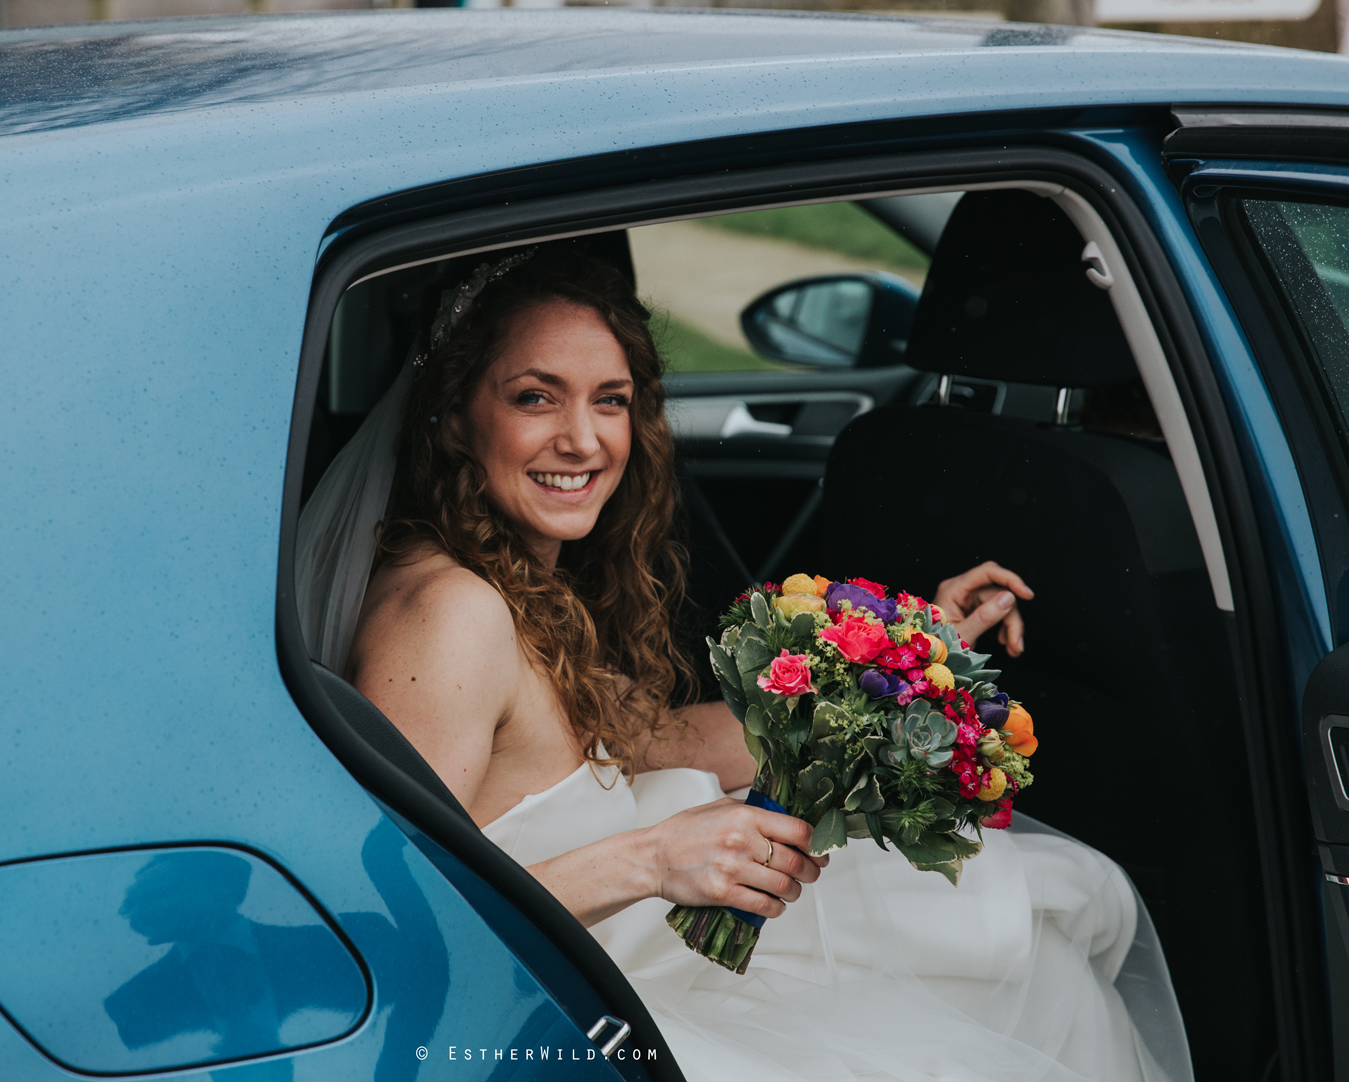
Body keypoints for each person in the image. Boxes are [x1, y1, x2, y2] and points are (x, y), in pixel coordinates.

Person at [300, 245, 1189, 1082]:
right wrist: (649, 860)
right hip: (575, 1017)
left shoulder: (524, 582)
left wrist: (902, 654)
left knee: (1031, 916)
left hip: (639, 960)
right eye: (537, 397)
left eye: (610, 400)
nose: (583, 440)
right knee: (1026, 965)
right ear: (456, 416)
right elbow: (395, 928)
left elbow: (651, 741)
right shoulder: (452, 614)